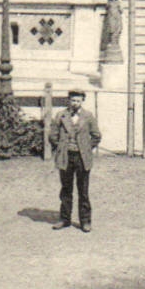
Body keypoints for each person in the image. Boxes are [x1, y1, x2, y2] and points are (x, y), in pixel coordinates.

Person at [47, 88, 101, 231]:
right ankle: (64, 219)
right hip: (65, 157)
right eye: (73, 100)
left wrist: (86, 148)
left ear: (82, 101)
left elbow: (96, 136)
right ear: (68, 101)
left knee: (83, 190)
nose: (75, 103)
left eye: (78, 100)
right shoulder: (60, 115)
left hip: (82, 158)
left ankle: (85, 221)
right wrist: (61, 147)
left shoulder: (88, 116)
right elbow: (52, 135)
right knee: (66, 189)